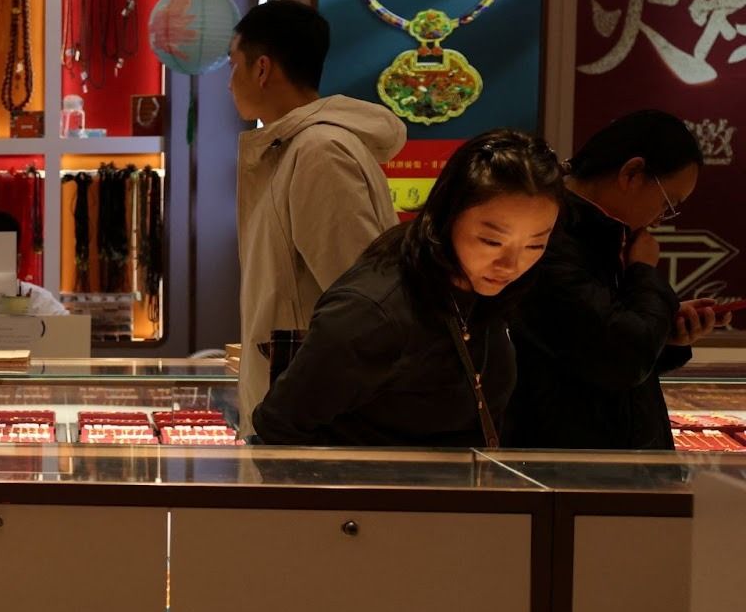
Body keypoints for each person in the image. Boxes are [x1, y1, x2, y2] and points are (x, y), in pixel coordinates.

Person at [252, 130, 565, 447]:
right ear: (447, 214)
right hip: (374, 478)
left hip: (459, 477)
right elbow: (279, 426)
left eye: (535, 245)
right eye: (491, 241)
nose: (511, 265)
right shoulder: (373, 312)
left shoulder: (489, 288)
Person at [228, 0, 407, 436]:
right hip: (302, 407)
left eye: (233, 65)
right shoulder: (295, 149)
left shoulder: (319, 153)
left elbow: (363, 302)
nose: (229, 82)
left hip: (313, 416)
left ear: (262, 69)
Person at [507, 111, 722, 450]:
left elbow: (610, 339)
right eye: (667, 203)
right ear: (631, 173)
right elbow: (623, 358)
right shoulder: (547, 238)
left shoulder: (608, 233)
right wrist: (643, 272)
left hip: (610, 457)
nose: (661, 219)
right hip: (568, 462)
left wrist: (667, 331)